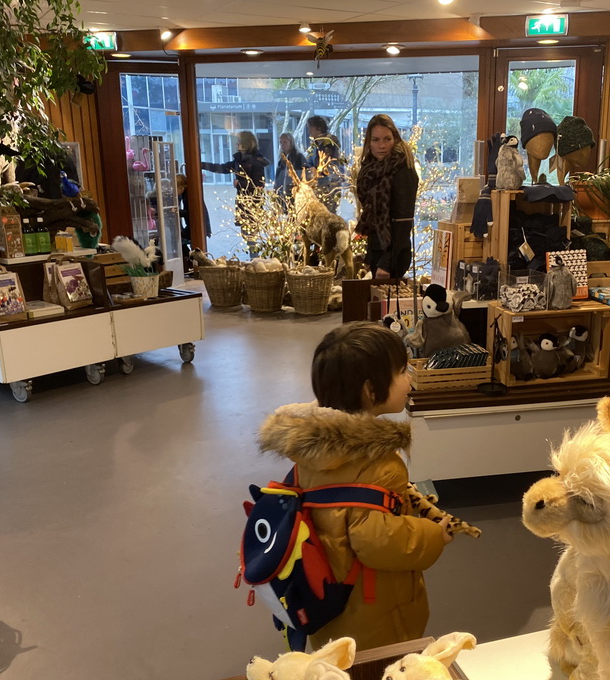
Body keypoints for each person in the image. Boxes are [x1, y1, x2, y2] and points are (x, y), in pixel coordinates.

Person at [257, 322, 453, 651]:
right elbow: (375, 540)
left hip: (326, 593)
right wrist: (434, 535)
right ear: (370, 391)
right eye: (403, 371)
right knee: (381, 675)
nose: (409, 379)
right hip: (374, 612)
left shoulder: (312, 448)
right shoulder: (377, 462)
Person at [355, 114, 420, 279]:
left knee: (388, 304)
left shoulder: (402, 168)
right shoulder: (370, 168)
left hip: (394, 254)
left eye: (387, 139)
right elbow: (372, 217)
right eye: (376, 140)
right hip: (377, 249)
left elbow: (404, 221)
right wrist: (371, 254)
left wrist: (387, 262)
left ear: (395, 139)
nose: (381, 145)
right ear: (369, 141)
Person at [201, 131, 268, 253]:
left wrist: (240, 184)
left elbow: (258, 185)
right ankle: (254, 260)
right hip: (245, 204)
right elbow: (222, 168)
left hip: (252, 204)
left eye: (239, 141)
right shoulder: (240, 160)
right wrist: (202, 165)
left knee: (251, 236)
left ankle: (256, 261)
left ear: (246, 144)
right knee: (248, 235)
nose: (236, 144)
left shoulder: (256, 161)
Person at [304, 115, 345, 213]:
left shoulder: (329, 143)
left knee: (327, 212)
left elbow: (328, 166)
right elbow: (309, 161)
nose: (309, 131)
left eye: (310, 128)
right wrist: (312, 167)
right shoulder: (316, 144)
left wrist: (318, 170)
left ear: (318, 128)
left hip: (329, 185)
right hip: (321, 183)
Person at [176, 174, 211, 268]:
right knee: (183, 239)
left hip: (196, 225)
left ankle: (192, 265)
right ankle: (192, 264)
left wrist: (178, 212)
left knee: (179, 240)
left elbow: (190, 213)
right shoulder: (188, 194)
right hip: (200, 224)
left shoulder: (188, 196)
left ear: (181, 187)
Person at [273, 132, 305, 201]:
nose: (282, 145)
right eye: (280, 142)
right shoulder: (281, 159)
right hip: (281, 194)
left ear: (291, 143)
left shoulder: (298, 157)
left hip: (294, 192)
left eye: (285, 142)